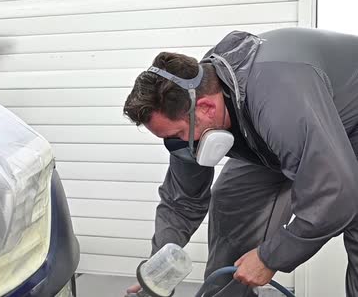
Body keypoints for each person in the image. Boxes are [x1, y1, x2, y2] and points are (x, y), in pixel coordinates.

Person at [122, 27, 358, 296]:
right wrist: (157, 269)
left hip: (347, 122)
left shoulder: (277, 98)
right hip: (279, 134)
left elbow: (336, 196)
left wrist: (270, 258)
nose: (178, 145)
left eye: (177, 135)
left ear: (207, 108)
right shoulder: (194, 100)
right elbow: (181, 200)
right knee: (233, 198)